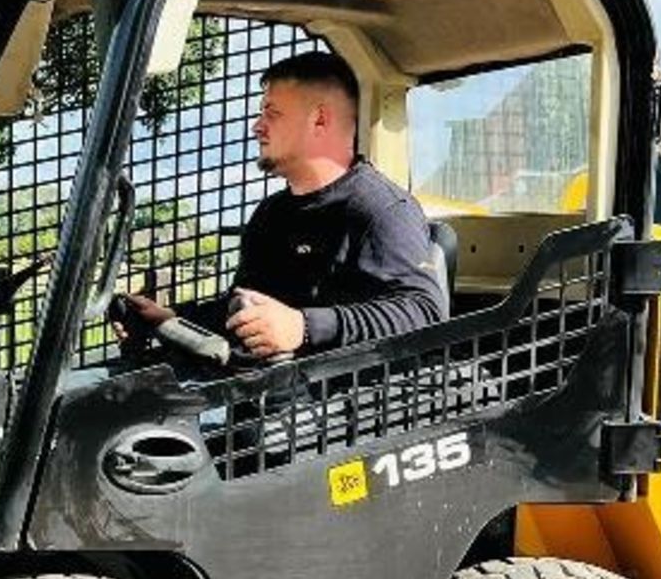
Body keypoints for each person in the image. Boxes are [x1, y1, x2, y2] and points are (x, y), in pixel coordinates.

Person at [123, 50, 446, 360]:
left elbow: (424, 312)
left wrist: (304, 327)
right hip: (267, 391)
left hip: (347, 400)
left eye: (272, 113)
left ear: (320, 119)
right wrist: (172, 319)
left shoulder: (381, 210)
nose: (257, 126)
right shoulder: (271, 215)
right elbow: (244, 309)